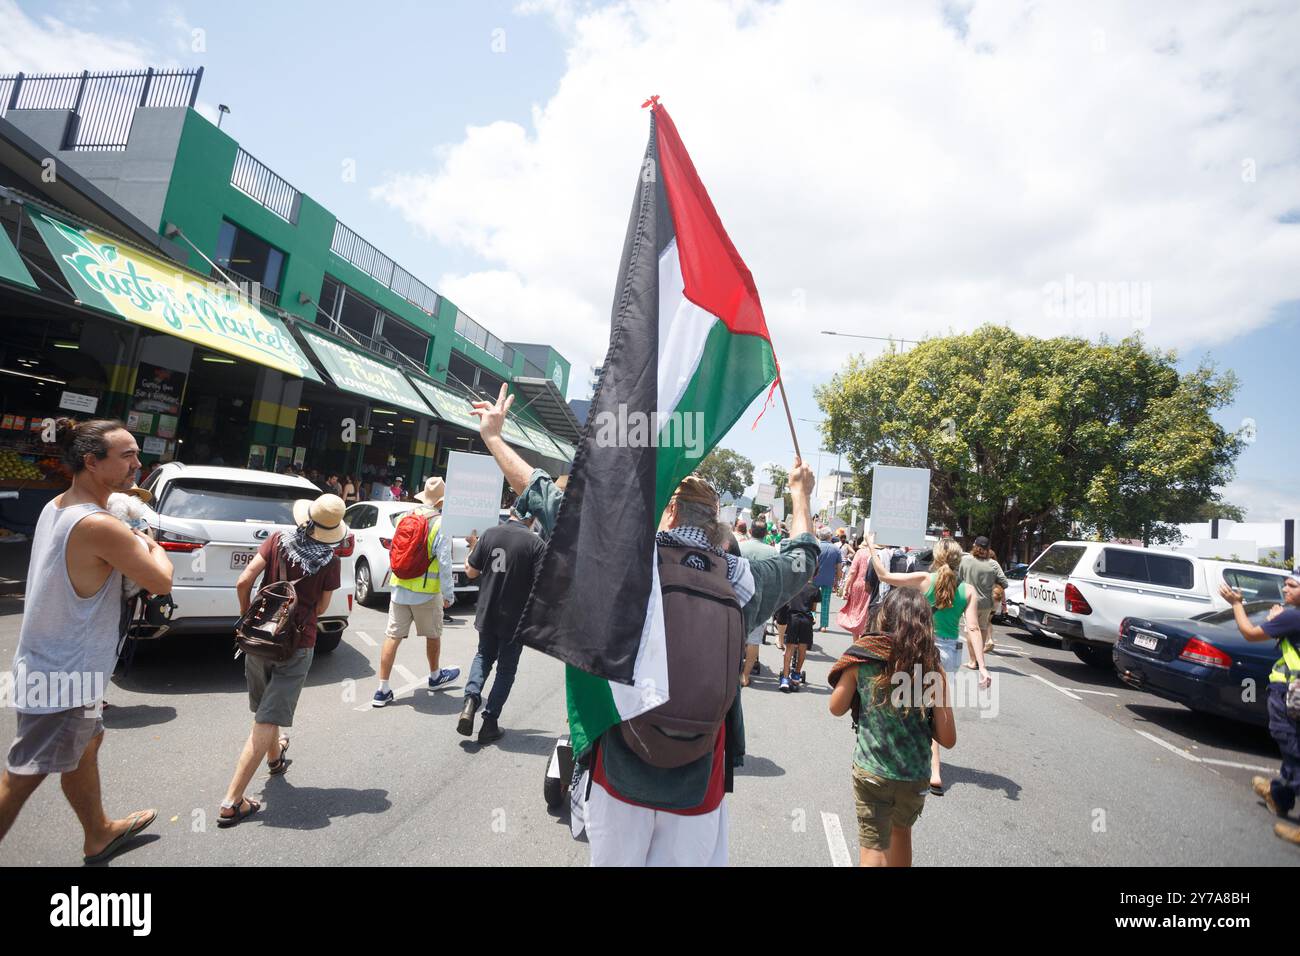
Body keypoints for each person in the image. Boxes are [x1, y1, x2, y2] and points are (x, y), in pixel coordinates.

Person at [468, 383, 818, 866]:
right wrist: (800, 496)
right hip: (701, 780)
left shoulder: (624, 563)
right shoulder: (742, 582)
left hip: (621, 768)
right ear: (716, 523)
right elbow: (802, 560)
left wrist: (494, 438)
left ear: (668, 511)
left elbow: (544, 496)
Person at [0, 420, 173, 862]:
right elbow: (160, 580)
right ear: (92, 462)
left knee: (87, 743)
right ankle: (97, 830)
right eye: (127, 456)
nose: (138, 464)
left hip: (51, 662)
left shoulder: (56, 505)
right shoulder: (101, 525)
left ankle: (97, 831)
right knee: (21, 776)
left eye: (136, 454)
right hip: (65, 675)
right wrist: (151, 542)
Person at [218, 494, 344, 826]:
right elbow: (322, 609)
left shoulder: (277, 540)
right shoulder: (330, 560)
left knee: (265, 713)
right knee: (266, 720)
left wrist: (249, 615)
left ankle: (275, 760)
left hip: (259, 639)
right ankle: (232, 801)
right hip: (296, 644)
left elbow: (244, 580)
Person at [828, 588, 957, 866]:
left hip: (872, 770)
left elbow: (836, 707)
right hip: (913, 775)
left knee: (874, 843)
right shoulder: (934, 668)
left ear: (884, 618)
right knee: (901, 833)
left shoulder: (863, 658)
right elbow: (947, 739)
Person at [866, 534, 988, 795]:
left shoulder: (925, 580)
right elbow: (974, 628)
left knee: (907, 700)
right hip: (950, 655)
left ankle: (904, 756)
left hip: (922, 648)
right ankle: (934, 771)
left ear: (936, 558)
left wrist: (870, 546)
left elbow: (884, 576)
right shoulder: (967, 591)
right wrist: (982, 666)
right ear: (959, 561)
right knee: (934, 708)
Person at [1219, 573, 1300, 846]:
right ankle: (1278, 796)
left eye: (1293, 585)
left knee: (1293, 750)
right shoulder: (1291, 617)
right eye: (1286, 582)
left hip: (1290, 696)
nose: (1285, 587)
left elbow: (1250, 633)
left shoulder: (1293, 617)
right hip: (1290, 695)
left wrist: (1237, 604)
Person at [458, 499, 546, 744]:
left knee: (483, 656)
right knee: (506, 670)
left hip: (487, 612)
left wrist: (472, 547)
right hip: (515, 619)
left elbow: (471, 571)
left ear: (511, 512)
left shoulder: (489, 534)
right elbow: (542, 586)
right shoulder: (536, 544)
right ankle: (489, 722)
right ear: (533, 518)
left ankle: (470, 699)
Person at [372, 477, 458, 706]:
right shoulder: (441, 524)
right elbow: (445, 563)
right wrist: (449, 594)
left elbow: (396, 551)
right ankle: (435, 676)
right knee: (433, 635)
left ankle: (382, 689)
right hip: (427, 592)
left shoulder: (403, 518)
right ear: (441, 501)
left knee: (392, 636)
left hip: (399, 588)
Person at [737, 518, 777, 686]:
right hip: (761, 600)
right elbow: (775, 578)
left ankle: (734, 670)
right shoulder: (772, 552)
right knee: (754, 639)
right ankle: (745, 675)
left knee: (737, 636)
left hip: (738, 596)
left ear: (751, 531)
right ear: (766, 534)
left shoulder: (740, 546)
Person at [958, 535, 1008, 665]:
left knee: (970, 630)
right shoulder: (993, 564)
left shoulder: (965, 560)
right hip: (986, 603)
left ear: (975, 546)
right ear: (988, 549)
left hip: (969, 602)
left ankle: (972, 660)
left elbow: (958, 580)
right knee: (983, 628)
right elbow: (1004, 582)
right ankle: (980, 660)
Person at [781, 580, 819, 691]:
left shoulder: (792, 585)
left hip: (793, 618)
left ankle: (785, 678)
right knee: (803, 649)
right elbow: (813, 609)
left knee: (789, 649)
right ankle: (796, 675)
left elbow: (786, 603)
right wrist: (813, 617)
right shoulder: (814, 588)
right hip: (806, 620)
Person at [837, 534, 873, 638]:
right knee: (866, 614)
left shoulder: (860, 553)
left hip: (858, 586)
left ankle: (856, 640)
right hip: (871, 586)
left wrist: (845, 588)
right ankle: (863, 638)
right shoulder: (876, 553)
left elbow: (852, 572)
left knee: (855, 613)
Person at [812, 528, 843, 632]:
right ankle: (824, 625)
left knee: (812, 601)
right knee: (826, 602)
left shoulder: (816, 547)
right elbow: (839, 568)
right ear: (830, 536)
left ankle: (812, 619)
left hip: (814, 578)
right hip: (828, 579)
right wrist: (837, 581)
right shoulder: (836, 549)